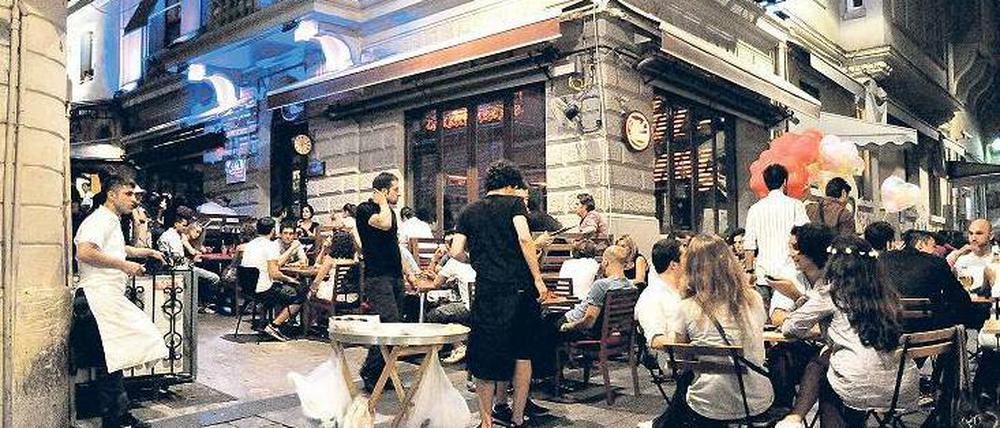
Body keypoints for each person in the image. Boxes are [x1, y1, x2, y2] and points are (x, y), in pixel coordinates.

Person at [448, 161, 552, 428]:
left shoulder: (468, 211)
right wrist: (538, 279)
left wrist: (478, 260)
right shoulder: (515, 205)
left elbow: (456, 251)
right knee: (522, 353)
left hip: (487, 290)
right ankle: (517, 417)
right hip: (519, 289)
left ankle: (486, 422)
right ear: (510, 185)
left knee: (484, 354)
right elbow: (524, 239)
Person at [782, 236, 917, 427]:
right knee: (831, 362)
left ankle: (794, 417)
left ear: (834, 264)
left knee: (827, 369)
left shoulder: (833, 293)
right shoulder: (888, 294)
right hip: (900, 385)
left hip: (857, 384)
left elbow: (790, 327)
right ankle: (795, 418)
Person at [71, 175, 167, 428]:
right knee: (117, 356)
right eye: (129, 194)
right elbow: (85, 251)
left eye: (136, 195)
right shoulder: (100, 220)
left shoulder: (111, 221)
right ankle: (117, 419)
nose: (135, 200)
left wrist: (145, 251)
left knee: (116, 358)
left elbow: (116, 249)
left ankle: (117, 418)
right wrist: (126, 266)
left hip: (106, 298)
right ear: (112, 195)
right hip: (97, 297)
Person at [664, 234, 773, 425]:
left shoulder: (686, 307)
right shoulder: (754, 299)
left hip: (708, 404)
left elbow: (680, 356)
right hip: (756, 400)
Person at [355, 172, 418, 391]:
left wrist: (409, 273)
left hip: (394, 276)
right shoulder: (364, 210)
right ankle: (373, 371)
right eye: (395, 190)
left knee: (393, 324)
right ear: (382, 192)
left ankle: (379, 371)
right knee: (389, 322)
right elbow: (382, 224)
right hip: (377, 276)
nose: (399, 194)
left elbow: (395, 246)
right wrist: (382, 204)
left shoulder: (389, 212)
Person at [764, 223, 834, 417]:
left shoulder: (835, 280)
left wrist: (797, 301)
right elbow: (778, 317)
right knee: (780, 355)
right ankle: (782, 412)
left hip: (834, 353)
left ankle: (795, 416)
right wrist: (816, 329)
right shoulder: (790, 276)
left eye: (795, 248)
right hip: (801, 349)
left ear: (812, 250)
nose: (790, 254)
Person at [881, 229, 976, 332]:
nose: (936, 250)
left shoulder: (884, 259)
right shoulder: (936, 263)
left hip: (891, 332)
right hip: (929, 335)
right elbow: (960, 298)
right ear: (920, 244)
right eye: (933, 246)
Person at [743, 164, 809, 309]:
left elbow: (749, 244)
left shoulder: (755, 209)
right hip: (789, 275)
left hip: (763, 274)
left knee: (763, 322)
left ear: (766, 183)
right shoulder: (796, 205)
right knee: (785, 318)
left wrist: (749, 270)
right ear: (785, 182)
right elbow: (806, 235)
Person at [240, 217, 305, 342]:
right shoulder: (270, 246)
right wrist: (289, 279)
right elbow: (275, 273)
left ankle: (274, 322)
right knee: (300, 294)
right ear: (273, 231)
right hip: (263, 290)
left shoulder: (250, 245)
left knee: (283, 289)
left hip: (248, 290)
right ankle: (275, 325)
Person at [557, 245, 635, 334]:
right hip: (610, 332)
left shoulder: (601, 285)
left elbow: (589, 321)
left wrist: (567, 326)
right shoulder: (631, 286)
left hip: (580, 327)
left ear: (605, 262)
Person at [634, 238, 684, 369]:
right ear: (674, 265)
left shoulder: (683, 290)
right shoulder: (652, 297)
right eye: (686, 258)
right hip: (678, 360)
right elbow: (656, 341)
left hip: (698, 355)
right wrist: (691, 341)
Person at [947, 218, 994, 292]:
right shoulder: (960, 259)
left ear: (990, 236)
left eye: (979, 233)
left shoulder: (996, 258)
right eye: (971, 233)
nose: (973, 238)